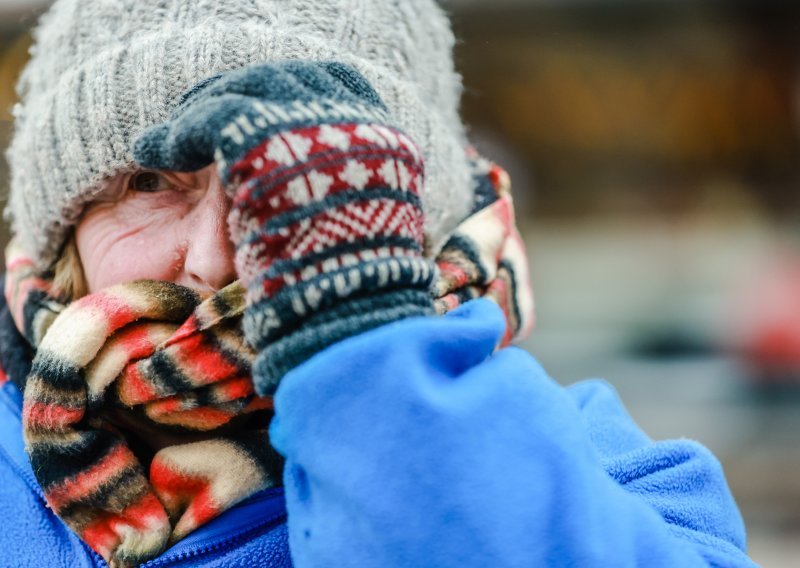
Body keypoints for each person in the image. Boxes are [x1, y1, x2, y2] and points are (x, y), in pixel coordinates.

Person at [0, 1, 755, 567]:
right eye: (151, 181)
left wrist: (362, 343)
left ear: (400, 211)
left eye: (288, 185)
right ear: (58, 229)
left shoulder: (608, 467)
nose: (211, 262)